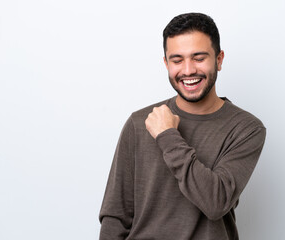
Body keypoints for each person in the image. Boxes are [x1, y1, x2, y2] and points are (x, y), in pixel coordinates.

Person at [99, 12, 266, 240]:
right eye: (177, 60)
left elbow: (215, 203)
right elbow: (115, 216)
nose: (188, 70)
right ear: (166, 63)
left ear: (219, 59)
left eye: (199, 58)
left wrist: (167, 136)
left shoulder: (246, 129)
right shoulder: (139, 123)